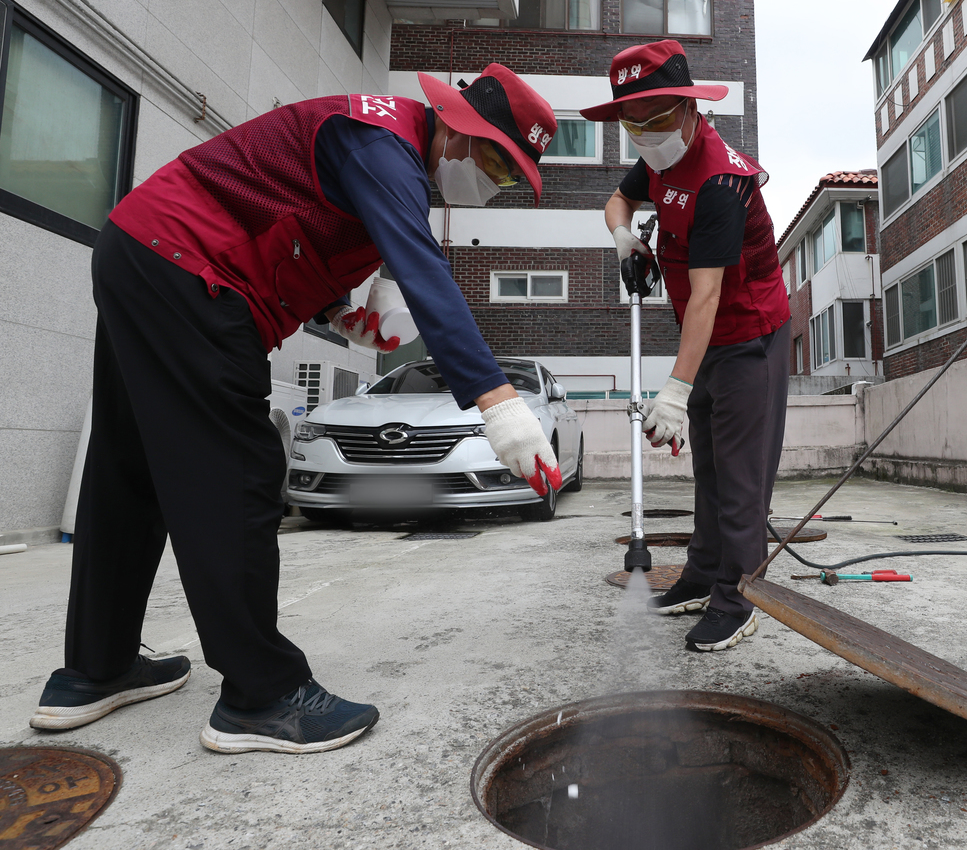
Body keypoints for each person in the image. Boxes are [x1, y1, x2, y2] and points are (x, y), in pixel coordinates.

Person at [29, 67, 565, 755]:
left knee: (128, 467)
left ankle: (93, 670)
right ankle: (263, 694)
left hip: (141, 250)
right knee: (242, 473)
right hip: (191, 269)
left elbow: (283, 220)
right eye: (496, 159)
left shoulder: (380, 144)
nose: (497, 181)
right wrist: (500, 404)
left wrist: (339, 313)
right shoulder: (383, 143)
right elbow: (427, 272)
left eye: (512, 176)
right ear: (457, 124)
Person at [585, 40, 791, 652]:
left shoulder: (720, 181)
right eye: (633, 121)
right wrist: (627, 241)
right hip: (704, 342)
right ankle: (703, 575)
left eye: (658, 117)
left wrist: (673, 390)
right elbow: (617, 200)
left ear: (690, 107)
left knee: (742, 478)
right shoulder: (658, 160)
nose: (646, 133)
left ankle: (740, 596)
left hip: (749, 336)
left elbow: (706, 297)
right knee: (707, 465)